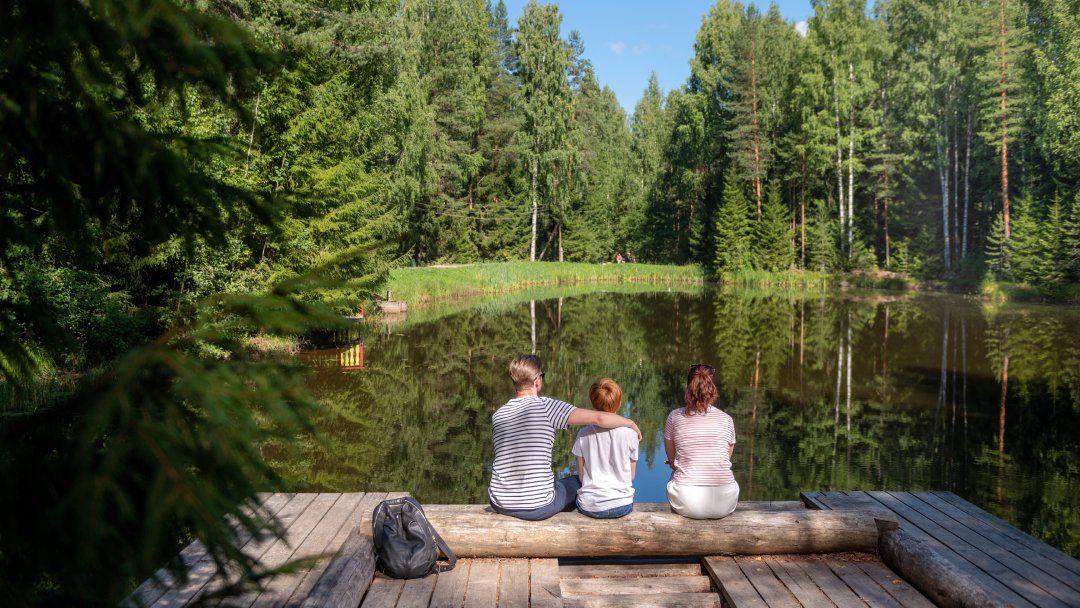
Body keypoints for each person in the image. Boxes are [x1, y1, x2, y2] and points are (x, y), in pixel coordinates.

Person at [489, 355, 641, 521]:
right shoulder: (547, 406)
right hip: (537, 506)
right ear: (537, 381)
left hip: (499, 501)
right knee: (576, 482)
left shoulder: (499, 415)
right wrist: (630, 423)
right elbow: (600, 418)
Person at [663, 363, 739, 519]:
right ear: (712, 388)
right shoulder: (727, 419)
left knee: (675, 475)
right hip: (725, 502)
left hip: (687, 502)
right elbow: (726, 457)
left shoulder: (674, 417)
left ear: (688, 387)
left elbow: (672, 460)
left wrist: (678, 462)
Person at [572, 378, 639, 519]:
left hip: (590, 506)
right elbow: (631, 476)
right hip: (622, 505)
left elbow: (582, 477)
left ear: (592, 404)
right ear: (619, 404)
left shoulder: (583, 434)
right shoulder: (631, 435)